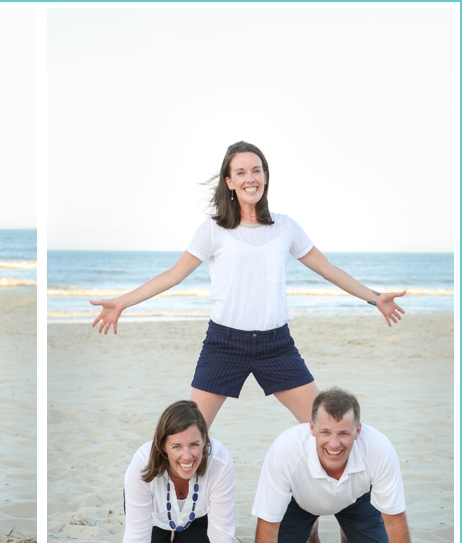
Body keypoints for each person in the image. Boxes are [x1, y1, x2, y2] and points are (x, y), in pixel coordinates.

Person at [91, 141, 406, 429]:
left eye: (256, 170)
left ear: (266, 176)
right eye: (240, 172)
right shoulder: (213, 229)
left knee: (323, 427)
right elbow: (174, 275)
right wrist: (122, 302)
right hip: (223, 344)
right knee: (189, 432)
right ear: (229, 182)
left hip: (276, 346)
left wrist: (374, 297)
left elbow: (328, 269)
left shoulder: (286, 227)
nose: (249, 178)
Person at [252, 387, 418, 543]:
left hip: (355, 497)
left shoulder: (379, 448)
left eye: (343, 434)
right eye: (326, 432)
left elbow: (395, 520)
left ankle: (347, 531)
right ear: (311, 428)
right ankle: (311, 528)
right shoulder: (285, 449)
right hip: (300, 500)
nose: (334, 443)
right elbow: (268, 523)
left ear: (358, 430)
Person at [119, 400, 250, 543]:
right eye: (177, 446)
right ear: (163, 446)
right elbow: (137, 534)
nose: (187, 456)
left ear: (205, 441)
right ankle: (165, 542)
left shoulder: (220, 461)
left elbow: (221, 531)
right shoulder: (142, 466)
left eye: (194, 445)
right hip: (155, 517)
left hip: (196, 515)